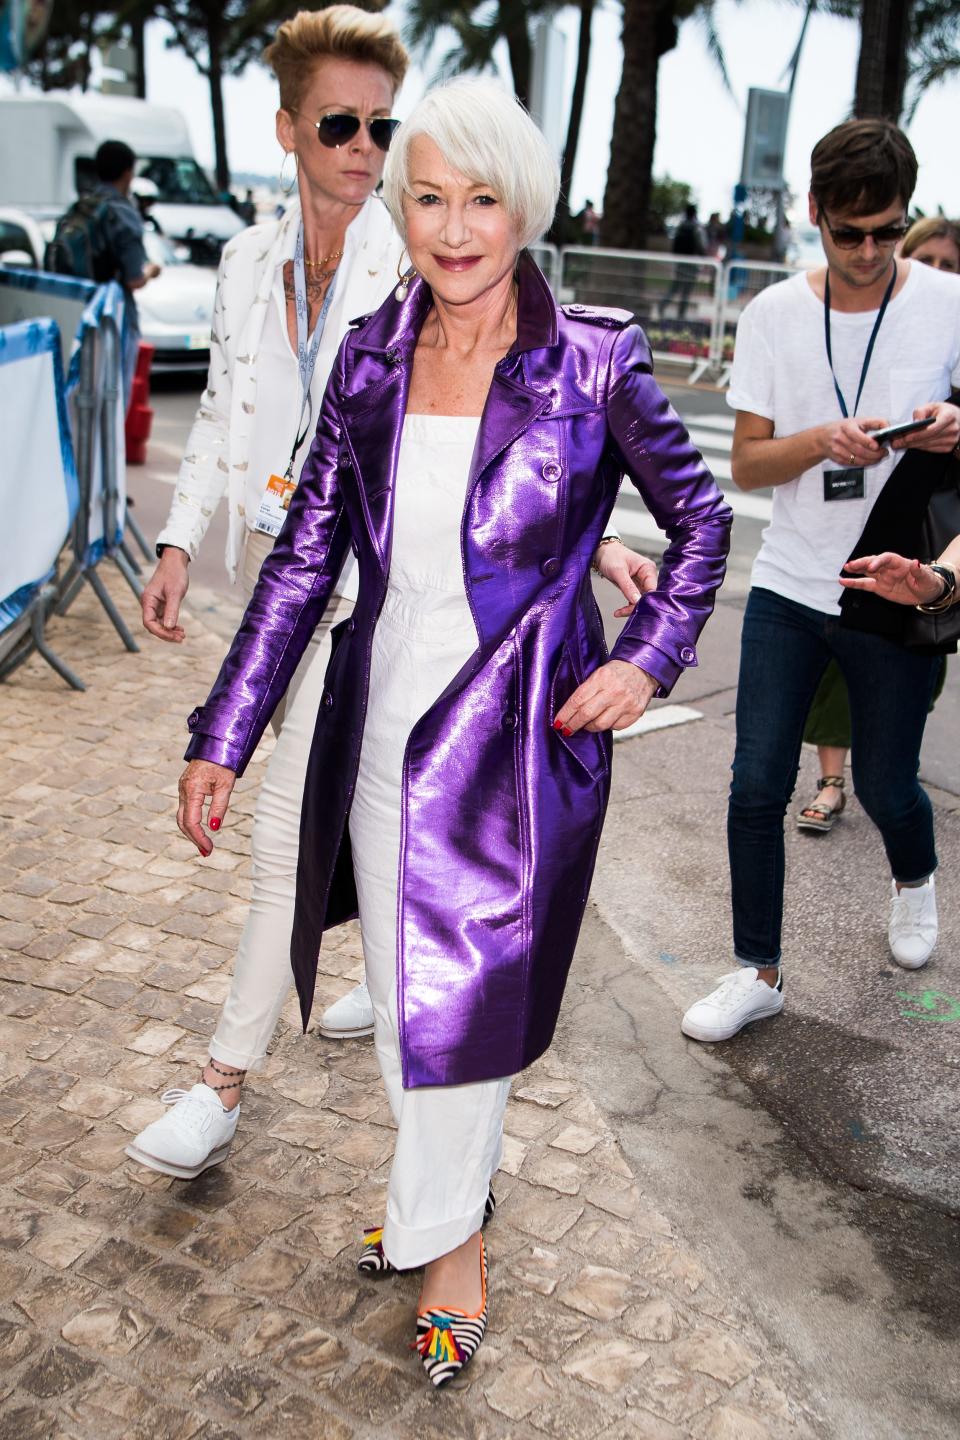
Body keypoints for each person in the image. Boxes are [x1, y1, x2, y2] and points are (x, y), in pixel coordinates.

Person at [159, 77, 731, 1383]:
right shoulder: (367, 355)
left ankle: (448, 1247)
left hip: (520, 740)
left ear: (522, 211)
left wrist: (648, 657)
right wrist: (224, 734)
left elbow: (701, 527)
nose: (454, 226)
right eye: (428, 197)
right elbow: (305, 565)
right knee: (417, 1013)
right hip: (382, 713)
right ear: (400, 208)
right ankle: (437, 1207)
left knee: (459, 1013)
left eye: (482, 200)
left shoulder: (596, 356)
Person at [127, 10, 656, 1174]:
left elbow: (524, 429)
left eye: (381, 126)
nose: (367, 150)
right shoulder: (256, 269)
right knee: (302, 844)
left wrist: (602, 560)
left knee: (343, 881)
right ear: (290, 131)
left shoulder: (425, 254)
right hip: (314, 603)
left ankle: (277, 1105)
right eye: (341, 125)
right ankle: (352, 1101)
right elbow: (228, 426)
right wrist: (181, 559)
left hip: (430, 643)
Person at [681, 118, 960, 1046]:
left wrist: (952, 425)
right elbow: (752, 466)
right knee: (756, 783)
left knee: (886, 784)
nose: (872, 251)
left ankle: (915, 882)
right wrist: (821, 441)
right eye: (851, 233)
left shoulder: (948, 305)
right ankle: (757, 970)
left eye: (889, 229)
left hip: (894, 588)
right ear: (815, 216)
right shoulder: (771, 316)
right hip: (794, 585)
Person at [795, 212, 960, 833]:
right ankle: (832, 780)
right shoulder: (874, 327)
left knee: (923, 654)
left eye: (952, 265)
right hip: (858, 521)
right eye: (930, 262)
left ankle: (891, 763)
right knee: (839, 660)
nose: (940, 275)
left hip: (938, 533)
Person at [47, 139, 161, 400]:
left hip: (76, 313)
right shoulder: (122, 213)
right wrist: (152, 271)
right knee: (112, 401)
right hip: (112, 319)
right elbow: (134, 280)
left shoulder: (80, 207)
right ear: (128, 173)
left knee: (77, 398)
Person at [659, 202, 705, 320]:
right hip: (691, 263)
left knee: (675, 288)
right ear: (694, 214)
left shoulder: (680, 227)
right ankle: (681, 314)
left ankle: (662, 306)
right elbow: (701, 247)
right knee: (686, 291)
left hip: (680, 262)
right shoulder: (696, 228)